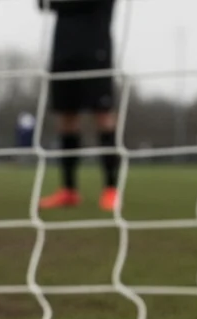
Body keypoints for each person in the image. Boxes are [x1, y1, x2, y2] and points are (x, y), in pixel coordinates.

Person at [36, 0, 120, 211]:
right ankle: (69, 189)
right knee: (66, 118)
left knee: (103, 116)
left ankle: (111, 189)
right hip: (63, 53)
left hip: (95, 51)